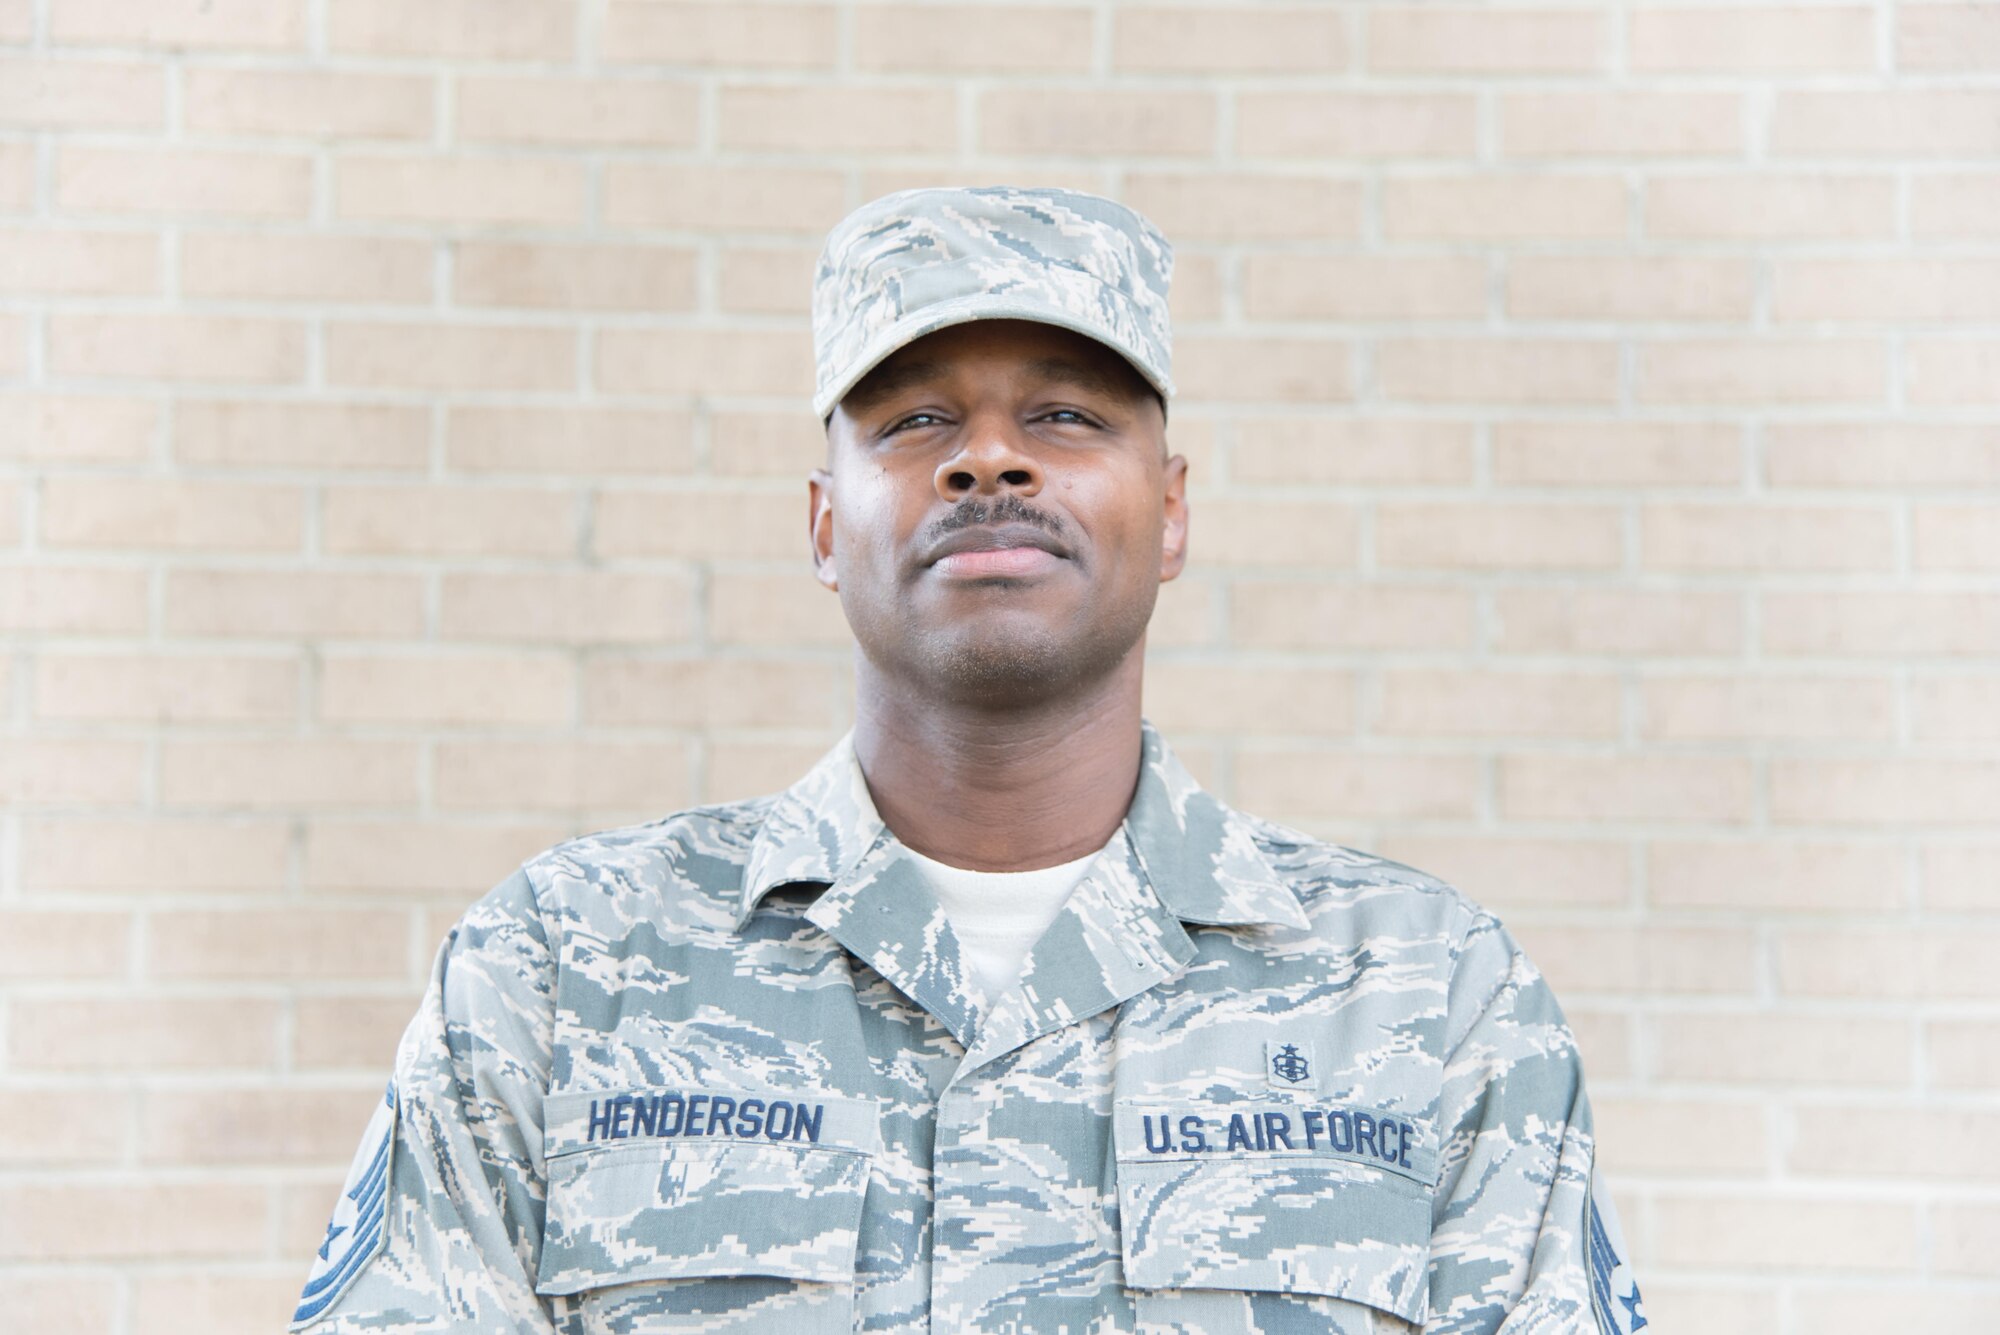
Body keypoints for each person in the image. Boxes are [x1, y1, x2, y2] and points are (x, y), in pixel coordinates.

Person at [292, 185, 1647, 1335]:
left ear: (1170, 511)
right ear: (826, 527)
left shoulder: (1428, 995)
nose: (988, 458)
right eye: (916, 422)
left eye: (1065, 416)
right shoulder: (560, 971)